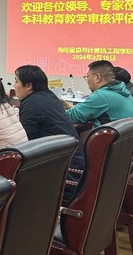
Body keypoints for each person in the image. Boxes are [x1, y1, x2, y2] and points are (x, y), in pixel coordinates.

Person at [14, 65, 83, 203]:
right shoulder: (49, 97)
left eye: (16, 81)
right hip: (76, 170)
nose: (14, 86)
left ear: (29, 86)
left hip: (65, 177)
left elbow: (24, 143)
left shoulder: (31, 104)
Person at [64, 60, 133, 154]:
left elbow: (71, 117)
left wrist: (54, 107)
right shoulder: (122, 91)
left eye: (87, 76)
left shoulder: (101, 96)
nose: (87, 80)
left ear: (97, 77)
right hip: (128, 151)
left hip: (113, 153)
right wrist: (69, 106)